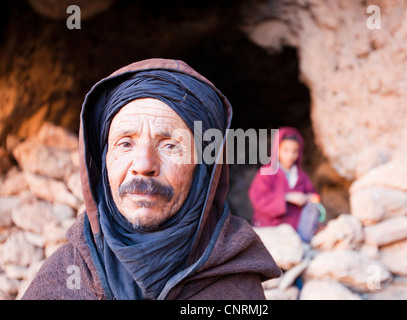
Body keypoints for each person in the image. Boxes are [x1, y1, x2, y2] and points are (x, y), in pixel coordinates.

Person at [22, 58, 281, 300]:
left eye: (170, 146)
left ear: (203, 169)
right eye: (125, 144)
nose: (144, 165)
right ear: (103, 163)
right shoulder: (64, 277)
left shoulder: (233, 285)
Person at [248, 127, 319, 235]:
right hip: (270, 228)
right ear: (277, 149)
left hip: (296, 230)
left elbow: (315, 197)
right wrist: (286, 197)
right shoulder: (266, 173)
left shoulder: (301, 176)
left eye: (295, 151)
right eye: (286, 150)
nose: (290, 155)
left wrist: (306, 197)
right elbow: (258, 198)